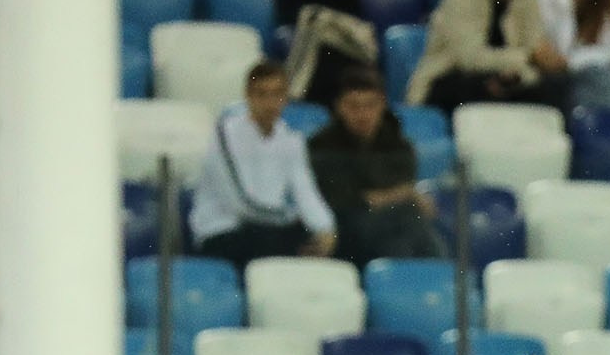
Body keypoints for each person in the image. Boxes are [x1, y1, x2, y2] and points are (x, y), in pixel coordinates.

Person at [190, 59, 336, 267]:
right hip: (222, 231)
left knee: (329, 241)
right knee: (278, 240)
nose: (270, 102)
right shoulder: (224, 134)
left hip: (269, 229)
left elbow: (305, 190)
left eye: (277, 94)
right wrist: (289, 219)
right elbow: (241, 204)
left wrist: (326, 229)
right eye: (262, 94)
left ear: (286, 97)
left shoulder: (291, 140)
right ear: (248, 96)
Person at [305, 70, 444, 269]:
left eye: (370, 105)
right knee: (407, 219)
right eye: (354, 106)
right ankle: (441, 282)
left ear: (382, 105)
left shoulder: (397, 144)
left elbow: (387, 194)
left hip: (391, 229)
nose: (363, 114)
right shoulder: (322, 146)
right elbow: (348, 202)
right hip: (344, 232)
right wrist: (405, 194)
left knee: (405, 225)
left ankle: (411, 282)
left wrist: (392, 197)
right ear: (340, 107)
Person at [410, 0, 572, 112]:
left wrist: (547, 59)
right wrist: (526, 58)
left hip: (512, 77)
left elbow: (535, 44)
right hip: (454, 75)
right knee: (474, 87)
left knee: (556, 84)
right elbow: (469, 58)